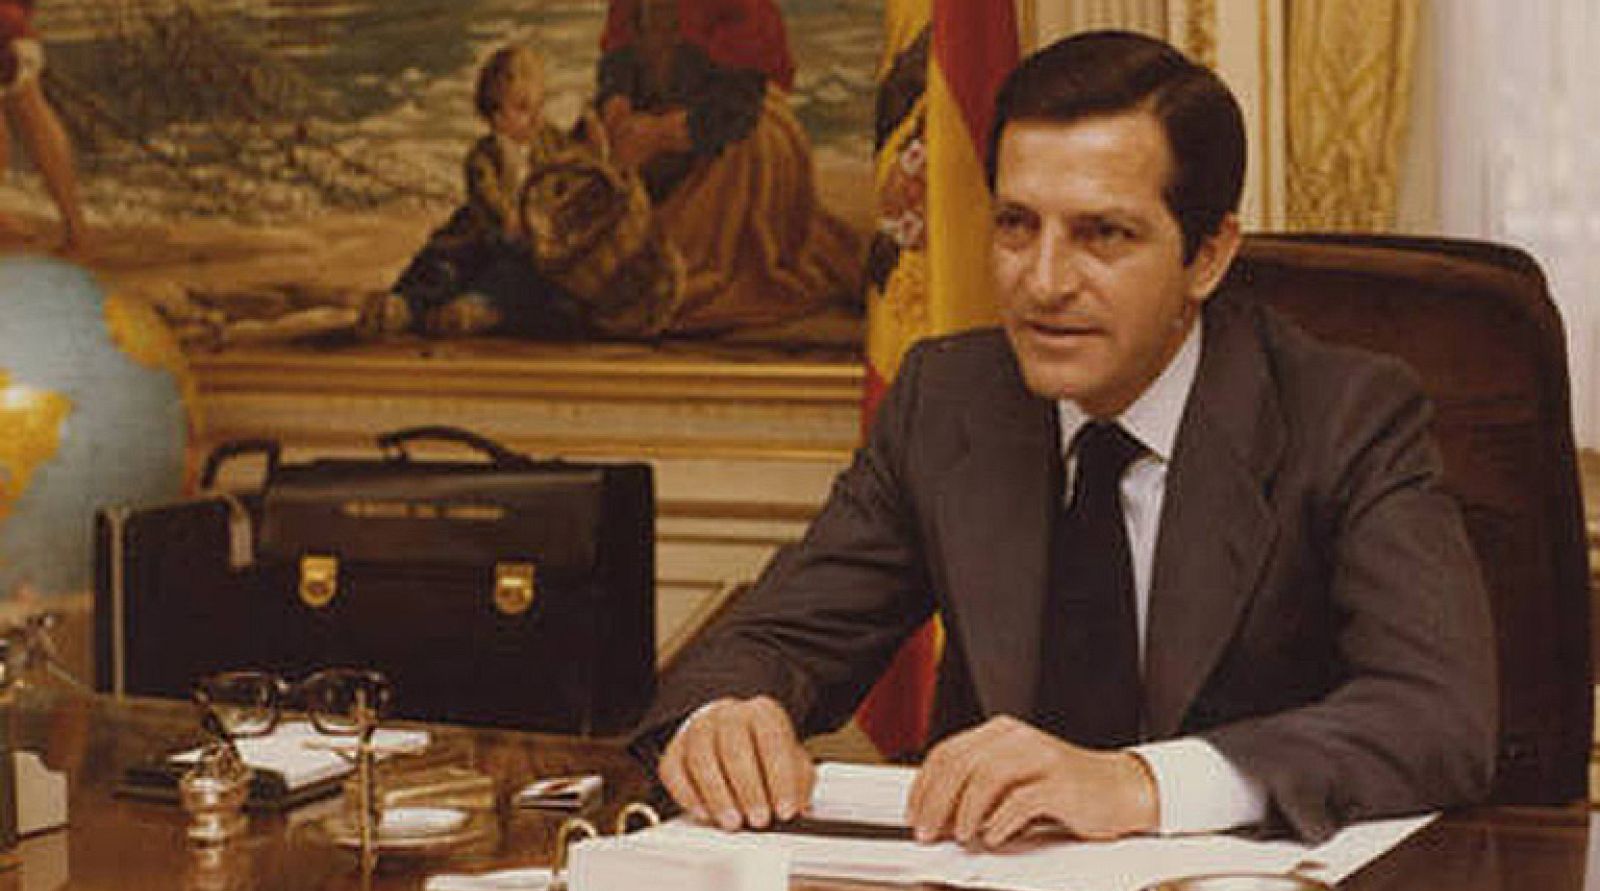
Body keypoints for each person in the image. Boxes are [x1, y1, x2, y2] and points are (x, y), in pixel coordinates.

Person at [633, 30, 1497, 846]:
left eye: (1102, 234)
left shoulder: (1344, 413)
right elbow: (775, 641)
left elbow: (1436, 716)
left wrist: (1139, 783)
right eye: (1016, 225)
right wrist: (723, 719)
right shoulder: (947, 400)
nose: (1042, 283)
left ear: (1207, 257)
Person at [596, 0, 864, 333]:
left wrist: (658, 134)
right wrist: (617, 112)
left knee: (747, 154)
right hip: (658, 117)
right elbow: (619, 60)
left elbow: (737, 104)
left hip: (732, 124)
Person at [377, 43, 586, 339]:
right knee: (443, 266)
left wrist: (589, 133)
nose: (536, 118)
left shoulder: (548, 140)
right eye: (524, 108)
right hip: (483, 234)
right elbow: (486, 194)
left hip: (529, 244)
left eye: (540, 106)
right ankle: (405, 305)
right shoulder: (483, 156)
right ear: (497, 117)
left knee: (515, 277)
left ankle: (473, 308)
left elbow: (575, 159)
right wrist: (509, 218)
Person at [0, 0, 89, 253]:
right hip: (14, 26)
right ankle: (75, 227)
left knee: (31, 112)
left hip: (8, 26)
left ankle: (75, 228)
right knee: (30, 110)